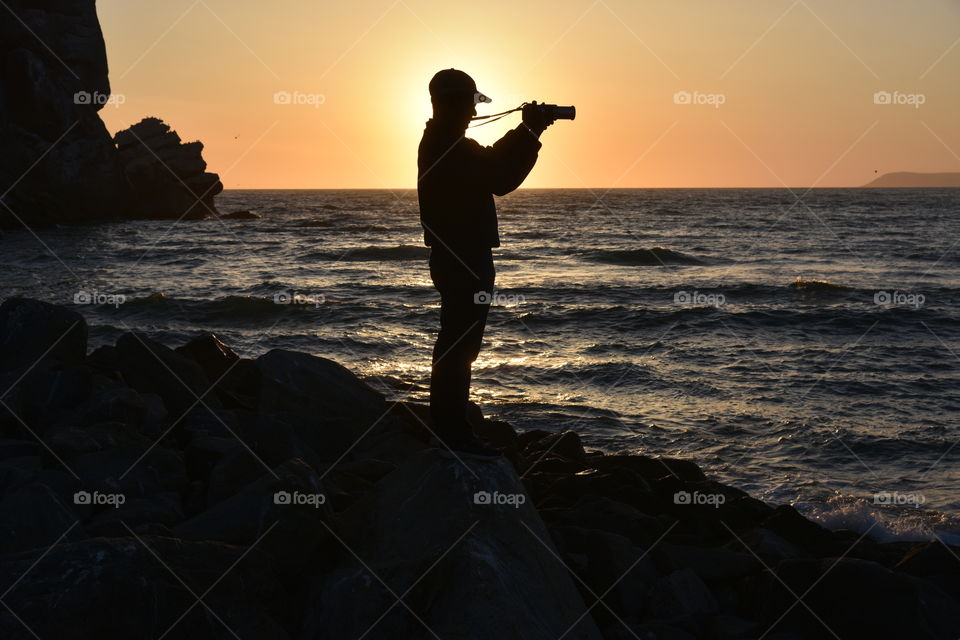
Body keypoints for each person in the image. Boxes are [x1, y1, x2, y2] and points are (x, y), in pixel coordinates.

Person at [417, 68, 555, 455]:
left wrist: (526, 133)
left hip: (457, 256)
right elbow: (501, 176)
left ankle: (449, 425)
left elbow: (491, 161)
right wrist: (530, 133)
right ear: (457, 104)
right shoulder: (449, 146)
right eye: (469, 104)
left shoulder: (443, 142)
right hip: (463, 258)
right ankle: (451, 430)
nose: (472, 113)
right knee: (460, 346)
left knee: (457, 342)